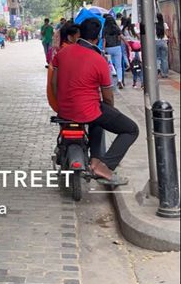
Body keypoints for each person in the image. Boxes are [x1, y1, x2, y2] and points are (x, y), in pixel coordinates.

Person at [52, 17, 139, 184]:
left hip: (64, 109)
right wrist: (111, 110)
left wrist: (62, 102)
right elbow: (107, 96)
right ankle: (103, 167)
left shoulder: (61, 54)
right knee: (131, 129)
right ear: (97, 38)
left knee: (98, 117)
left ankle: (95, 159)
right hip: (89, 110)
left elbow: (55, 84)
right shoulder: (99, 60)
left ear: (78, 35)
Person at [46, 21, 80, 112]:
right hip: (68, 104)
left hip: (56, 103)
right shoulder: (70, 53)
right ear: (70, 37)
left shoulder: (57, 51)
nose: (80, 40)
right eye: (78, 37)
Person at [102, 13, 124, 89]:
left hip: (108, 48)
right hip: (117, 47)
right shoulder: (116, 28)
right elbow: (120, 37)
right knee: (119, 66)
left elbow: (104, 40)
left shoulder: (104, 29)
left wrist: (103, 50)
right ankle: (120, 80)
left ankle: (110, 83)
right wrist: (127, 44)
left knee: (109, 66)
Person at [155, 13, 170, 78]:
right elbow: (167, 33)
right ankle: (165, 73)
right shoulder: (164, 24)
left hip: (156, 41)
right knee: (164, 58)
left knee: (157, 57)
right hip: (164, 41)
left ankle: (158, 69)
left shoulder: (154, 25)